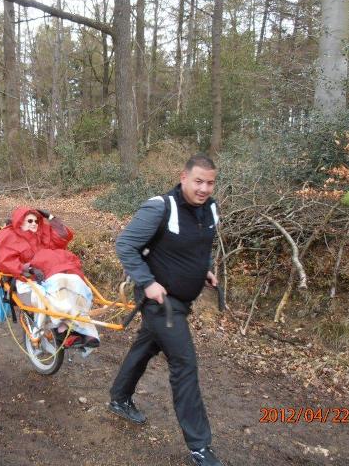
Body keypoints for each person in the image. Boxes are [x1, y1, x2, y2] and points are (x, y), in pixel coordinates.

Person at [108, 154, 224, 466]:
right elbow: (125, 245)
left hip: (182, 301)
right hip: (160, 302)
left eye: (210, 182)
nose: (204, 188)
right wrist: (147, 282)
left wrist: (207, 269)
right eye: (198, 181)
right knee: (184, 364)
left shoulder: (210, 208)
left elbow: (201, 246)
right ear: (183, 177)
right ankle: (200, 446)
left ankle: (119, 397)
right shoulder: (160, 207)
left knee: (145, 347)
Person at [0, 207, 99, 347]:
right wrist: (26, 268)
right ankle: (63, 331)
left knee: (73, 283)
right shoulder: (9, 236)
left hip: (49, 275)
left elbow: (62, 236)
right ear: (20, 222)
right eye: (29, 221)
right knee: (56, 291)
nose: (34, 224)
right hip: (26, 280)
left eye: (36, 221)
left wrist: (52, 218)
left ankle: (78, 332)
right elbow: (4, 260)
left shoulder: (42, 234)